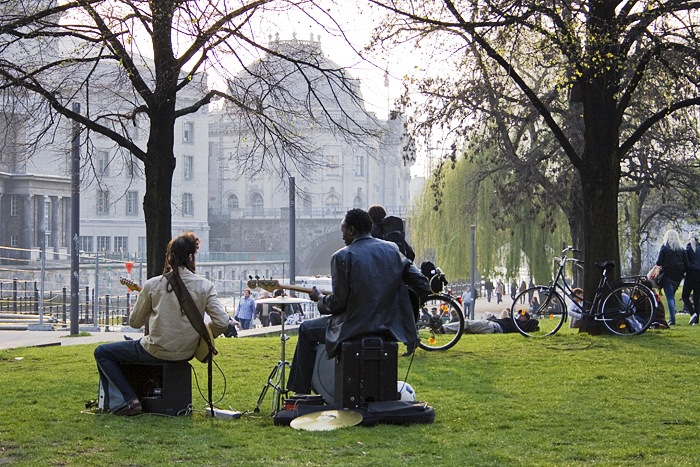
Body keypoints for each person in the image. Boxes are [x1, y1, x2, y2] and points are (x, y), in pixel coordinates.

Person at [287, 208, 430, 395]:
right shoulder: (392, 249)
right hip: (388, 327)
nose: (342, 236)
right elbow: (422, 284)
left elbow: (338, 303)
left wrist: (320, 299)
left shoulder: (342, 256)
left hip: (354, 327)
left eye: (343, 230)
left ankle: (300, 392)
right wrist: (405, 307)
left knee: (306, 329)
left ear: (353, 230)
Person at [93, 232, 229, 415]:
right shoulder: (205, 286)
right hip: (186, 352)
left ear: (170, 257)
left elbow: (135, 322)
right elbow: (222, 322)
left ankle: (128, 400)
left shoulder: (153, 284)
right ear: (191, 257)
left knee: (102, 352)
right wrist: (200, 337)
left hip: (155, 350)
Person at [655, 229, 688, 325]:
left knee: (670, 298)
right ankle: (672, 318)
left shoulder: (664, 248)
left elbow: (659, 262)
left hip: (667, 276)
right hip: (678, 277)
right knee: (672, 296)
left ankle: (672, 320)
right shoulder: (681, 250)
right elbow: (686, 263)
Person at [682, 232, 700, 325]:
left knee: (685, 296)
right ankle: (696, 321)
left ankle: (693, 314)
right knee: (697, 298)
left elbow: (685, 262)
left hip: (690, 274)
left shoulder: (688, 248)